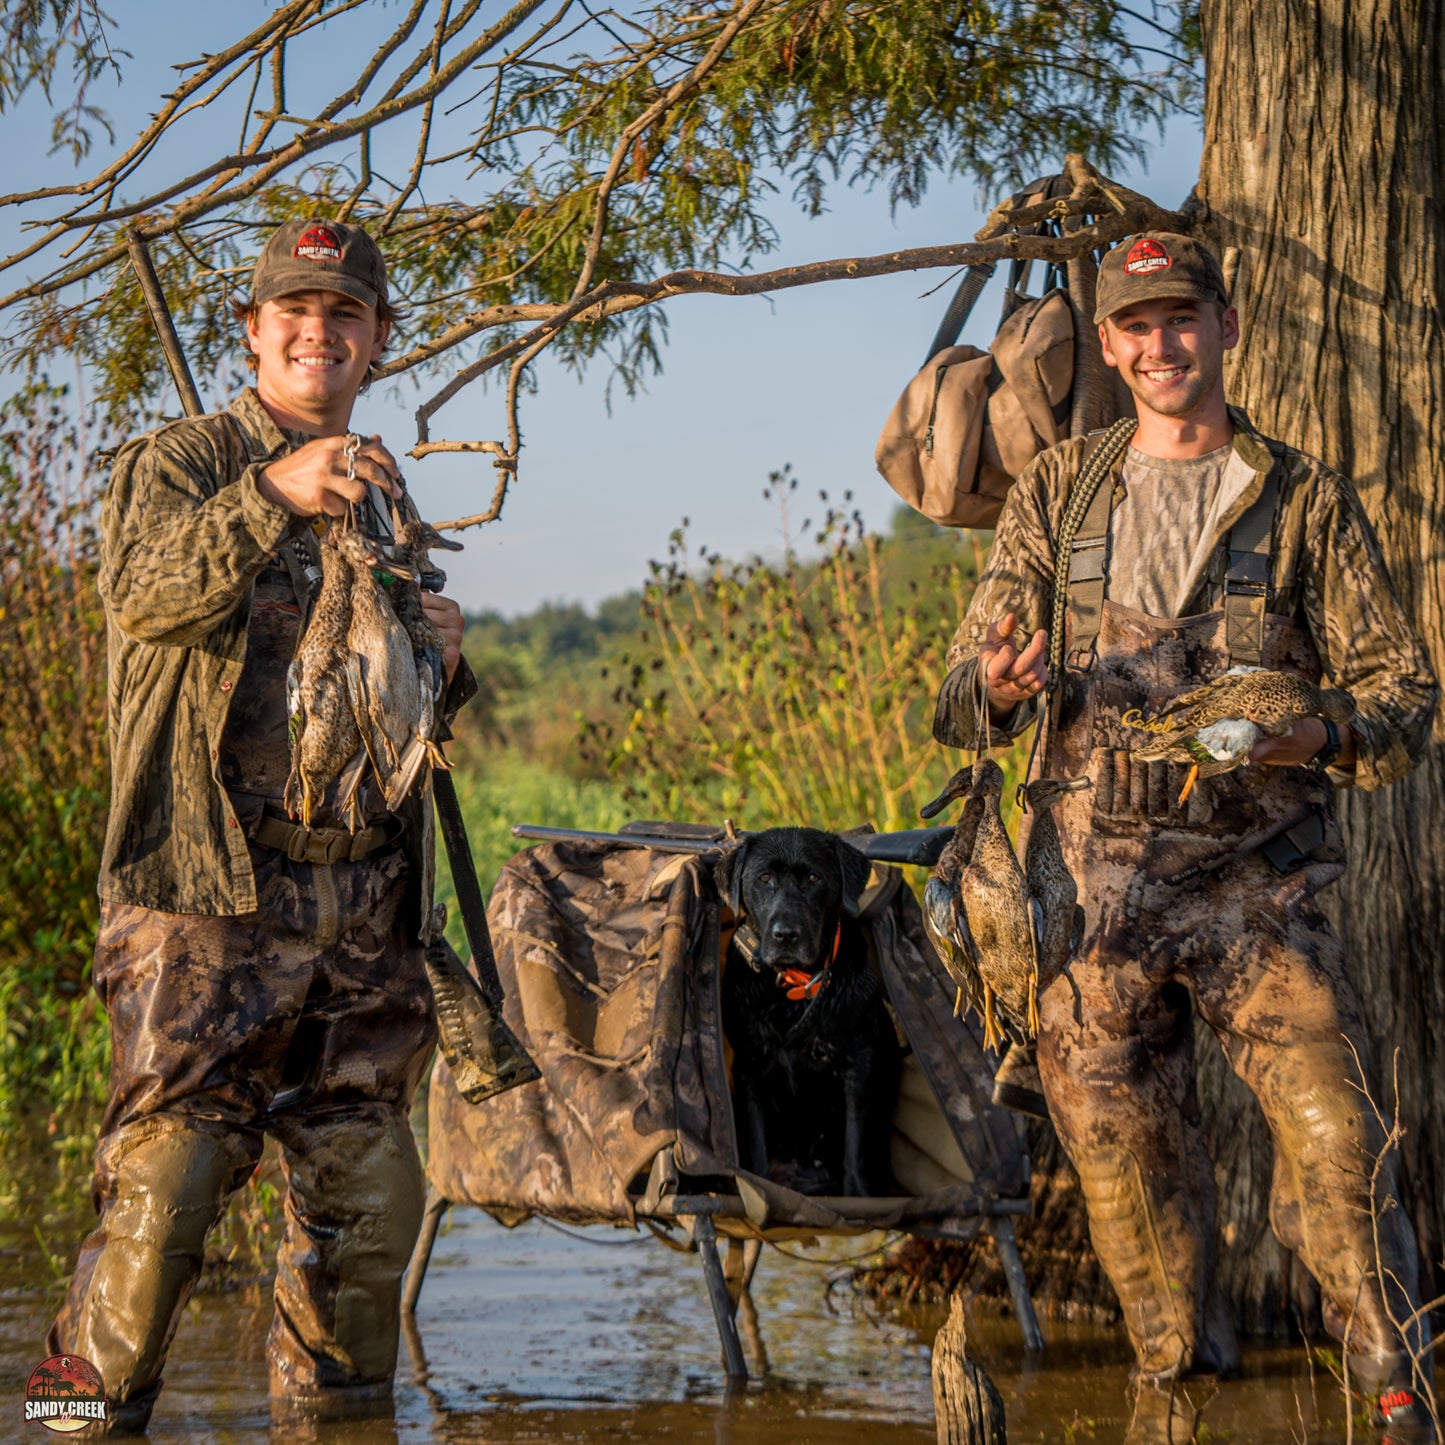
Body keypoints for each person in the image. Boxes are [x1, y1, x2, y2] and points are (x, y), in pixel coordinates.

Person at [933, 233, 1438, 1435]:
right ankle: (1175, 1408)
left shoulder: (1301, 493)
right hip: (1087, 920)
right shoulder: (1058, 489)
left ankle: (1394, 1398)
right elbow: (958, 691)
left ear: (1223, 325)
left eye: (1180, 319)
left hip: (1258, 900)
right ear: (1108, 346)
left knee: (1344, 1170)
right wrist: (995, 686)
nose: (1159, 345)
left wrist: (1302, 737)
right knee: (1139, 1237)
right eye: (1136, 326)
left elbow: (1404, 696)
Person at [48, 217, 475, 1432]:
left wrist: (445, 662)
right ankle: (62, 1426)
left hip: (360, 913)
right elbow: (141, 593)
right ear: (252, 330)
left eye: (344, 314)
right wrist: (267, 494)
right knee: (158, 1210)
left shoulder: (382, 489)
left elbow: (382, 707)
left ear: (378, 341)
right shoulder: (179, 461)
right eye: (292, 308)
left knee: (368, 1205)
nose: (316, 330)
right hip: (206, 901)